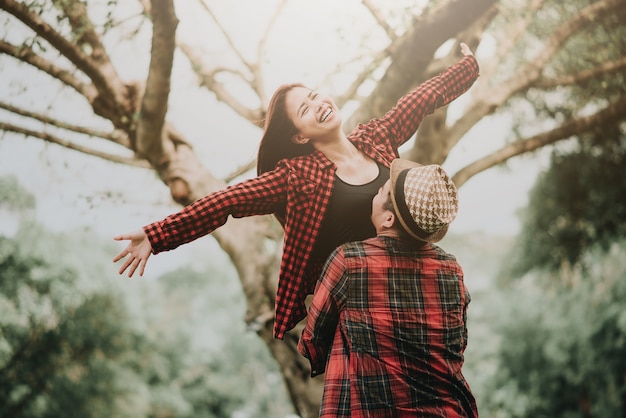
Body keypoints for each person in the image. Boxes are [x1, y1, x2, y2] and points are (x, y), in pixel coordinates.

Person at [113, 44, 480, 340]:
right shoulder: (297, 177)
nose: (319, 105)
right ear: (300, 136)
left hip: (409, 288)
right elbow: (227, 202)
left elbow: (418, 102)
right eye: (306, 109)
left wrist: (467, 69)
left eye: (317, 96)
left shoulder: (376, 137)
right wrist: (157, 235)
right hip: (359, 309)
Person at [298, 158, 478, 417]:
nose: (375, 192)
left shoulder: (349, 261)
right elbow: (457, 344)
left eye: (381, 190)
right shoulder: (451, 269)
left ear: (389, 218)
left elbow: (312, 344)